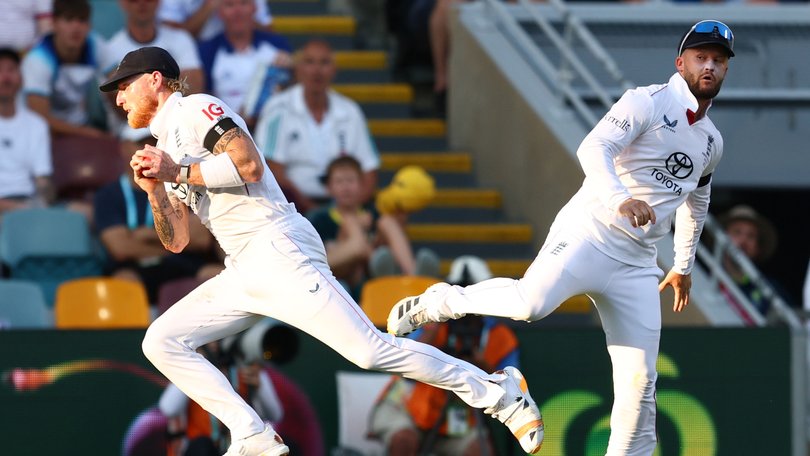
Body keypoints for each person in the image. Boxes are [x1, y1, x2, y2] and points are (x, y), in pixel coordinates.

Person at [99, 46, 544, 456]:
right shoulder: (161, 147)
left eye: (124, 86)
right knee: (161, 340)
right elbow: (176, 240)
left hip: (276, 246)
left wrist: (177, 169)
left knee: (369, 352)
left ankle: (497, 390)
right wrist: (156, 191)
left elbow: (249, 164)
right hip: (242, 267)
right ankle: (252, 433)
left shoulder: (195, 108)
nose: (119, 99)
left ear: (156, 79)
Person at [388, 20, 735, 456]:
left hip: (638, 263)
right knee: (529, 304)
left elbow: (696, 201)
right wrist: (620, 200)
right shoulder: (645, 101)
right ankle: (438, 302)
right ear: (680, 62)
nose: (710, 67)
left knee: (640, 382)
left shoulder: (712, 141)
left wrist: (683, 265)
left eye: (718, 61)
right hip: (589, 233)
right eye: (701, 58)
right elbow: (593, 147)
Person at [369, 256, 517, 456]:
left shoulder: (500, 337)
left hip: (457, 418)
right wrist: (433, 327)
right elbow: (402, 361)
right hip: (406, 408)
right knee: (404, 440)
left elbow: (513, 388)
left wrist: (483, 369)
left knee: (478, 451)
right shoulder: (431, 320)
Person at [93, 127, 222, 304]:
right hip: (137, 266)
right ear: (125, 147)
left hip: (181, 262)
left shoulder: (180, 186)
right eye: (142, 144)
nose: (150, 150)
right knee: (124, 280)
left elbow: (201, 238)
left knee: (218, 276)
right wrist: (173, 245)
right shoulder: (108, 195)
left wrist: (148, 236)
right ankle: (133, 331)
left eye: (155, 144)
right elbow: (121, 248)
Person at [253, 39, 380, 214]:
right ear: (298, 69)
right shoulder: (277, 108)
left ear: (334, 70)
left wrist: (345, 211)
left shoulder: (350, 111)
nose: (317, 70)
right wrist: (312, 210)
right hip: (292, 207)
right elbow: (272, 170)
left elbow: (369, 173)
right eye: (309, 62)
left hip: (345, 207)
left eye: (324, 63)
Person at [308, 157, 438, 297]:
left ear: (362, 185)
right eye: (339, 181)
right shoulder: (318, 218)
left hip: (365, 273)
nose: (345, 187)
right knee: (351, 225)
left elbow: (394, 233)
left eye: (351, 181)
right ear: (329, 187)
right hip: (335, 275)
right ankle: (387, 274)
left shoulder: (374, 214)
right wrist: (356, 227)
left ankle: (413, 276)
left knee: (386, 221)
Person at [160, 339, 284, 456]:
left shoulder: (246, 368)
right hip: (204, 448)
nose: (214, 343)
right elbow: (168, 408)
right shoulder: (193, 368)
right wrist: (195, 364)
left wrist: (259, 386)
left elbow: (275, 415)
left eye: (219, 338)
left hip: (242, 448)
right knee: (202, 445)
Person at [21, 0, 109, 138]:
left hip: (82, 126)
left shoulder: (95, 44)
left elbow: (118, 82)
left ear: (89, 26)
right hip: (44, 134)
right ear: (53, 23)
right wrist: (90, 134)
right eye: (68, 19)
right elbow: (39, 119)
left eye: (82, 20)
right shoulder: (37, 60)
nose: (76, 27)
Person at [198, 0, 292, 126]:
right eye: (230, 5)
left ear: (254, 8)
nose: (238, 11)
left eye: (243, 3)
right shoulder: (207, 50)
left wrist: (292, 70)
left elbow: (292, 90)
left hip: (272, 126)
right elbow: (204, 97)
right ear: (220, 13)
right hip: (224, 131)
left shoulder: (277, 45)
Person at [104, 0, 204, 97]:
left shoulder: (181, 38)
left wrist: (133, 82)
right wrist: (170, 79)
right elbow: (118, 101)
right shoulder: (110, 50)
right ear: (122, 2)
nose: (142, 3)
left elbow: (194, 88)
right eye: (133, 0)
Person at [0, 48, 53, 218]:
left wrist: (40, 204)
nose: (5, 78)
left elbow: (42, 179)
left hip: (26, 203)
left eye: (11, 70)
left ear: (21, 79)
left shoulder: (37, 124)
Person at [718, 204, 779, 316]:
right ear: (722, 239)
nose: (743, 240)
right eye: (737, 232)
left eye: (751, 236)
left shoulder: (770, 289)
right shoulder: (706, 280)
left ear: (758, 248)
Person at [159, 0, 273, 41]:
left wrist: (238, 9)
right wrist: (210, 6)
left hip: (243, 47)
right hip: (197, 49)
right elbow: (170, 37)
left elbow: (268, 33)